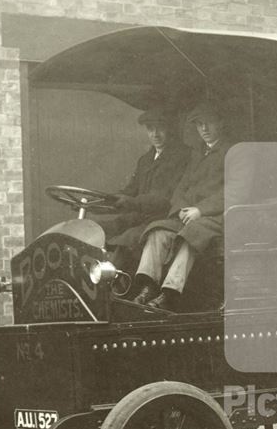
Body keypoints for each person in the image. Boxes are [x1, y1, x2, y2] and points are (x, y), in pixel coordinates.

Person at [131, 98, 256, 311]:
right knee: (158, 231)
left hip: (221, 218)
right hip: (192, 215)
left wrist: (200, 210)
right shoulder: (198, 153)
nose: (204, 129)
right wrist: (180, 209)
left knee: (194, 233)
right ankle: (148, 287)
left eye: (209, 123)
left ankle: (169, 293)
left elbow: (237, 191)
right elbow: (182, 186)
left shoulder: (237, 151)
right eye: (199, 124)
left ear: (221, 123)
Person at [93, 106, 189, 269]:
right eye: (150, 129)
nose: (155, 134)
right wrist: (101, 201)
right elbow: (130, 190)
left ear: (169, 129)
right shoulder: (145, 160)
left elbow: (164, 198)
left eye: (160, 128)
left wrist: (130, 202)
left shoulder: (181, 157)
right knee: (97, 229)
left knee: (128, 238)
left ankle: (112, 285)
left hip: (162, 218)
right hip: (138, 216)